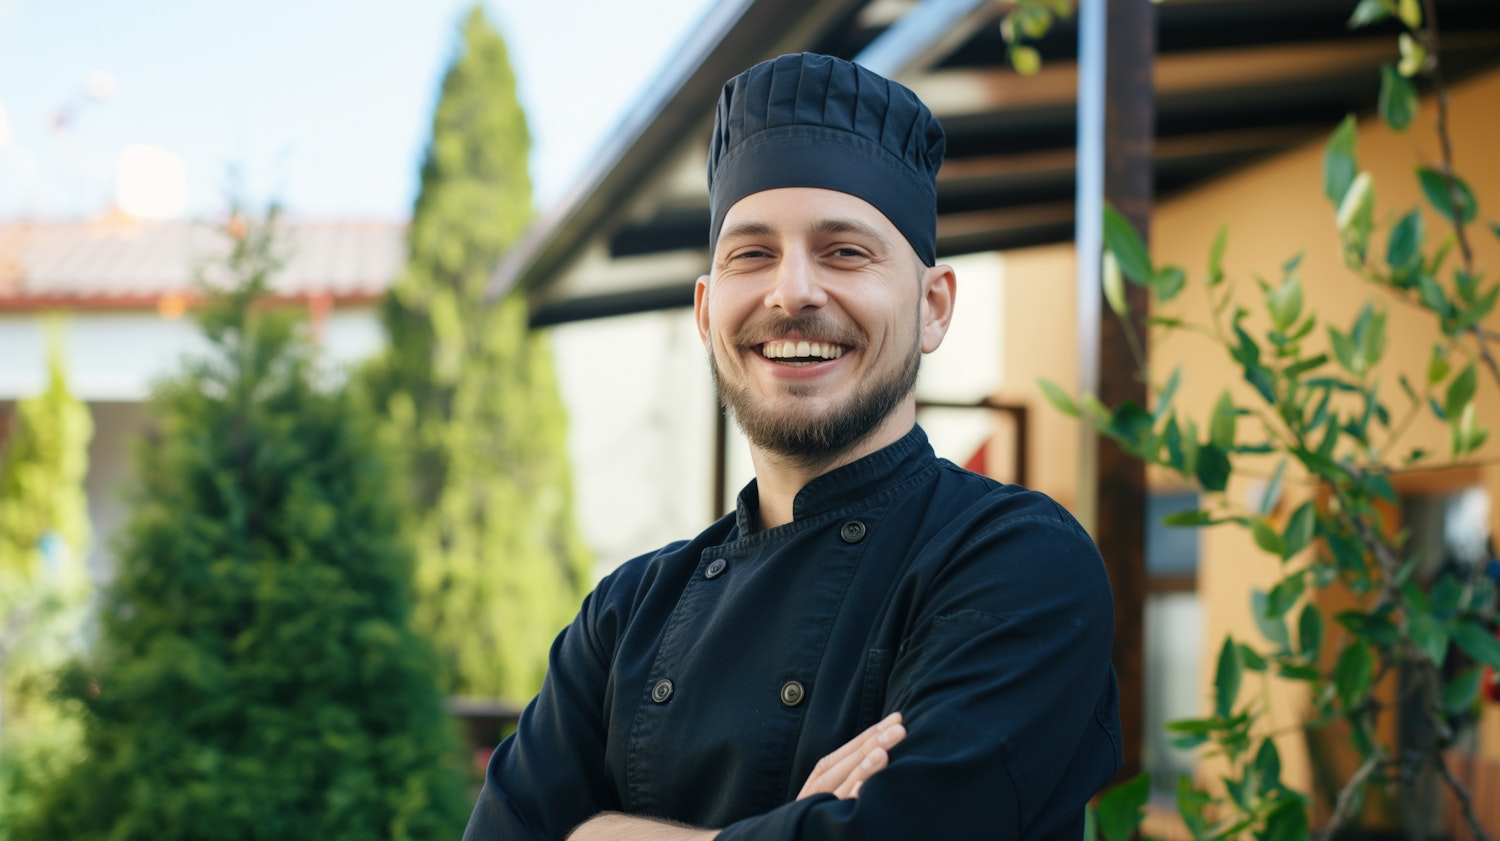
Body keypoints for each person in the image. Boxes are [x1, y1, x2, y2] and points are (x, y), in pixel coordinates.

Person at [462, 52, 1121, 841]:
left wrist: (604, 833)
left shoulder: (1019, 563)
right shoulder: (624, 614)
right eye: (753, 253)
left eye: (845, 251)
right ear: (707, 314)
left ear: (934, 307)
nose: (793, 291)